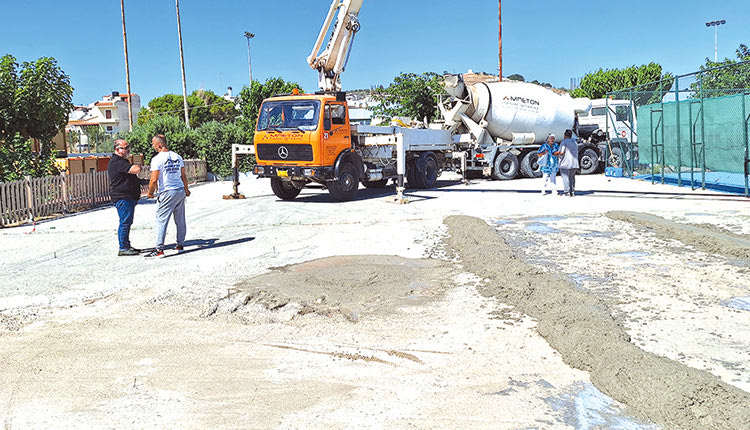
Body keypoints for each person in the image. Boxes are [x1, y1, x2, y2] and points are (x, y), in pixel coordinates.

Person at [144, 134, 191, 258]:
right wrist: (186, 189)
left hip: (167, 191)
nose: (152, 146)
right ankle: (180, 245)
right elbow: (183, 175)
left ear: (159, 145)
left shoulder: (157, 159)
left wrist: (150, 193)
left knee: (161, 220)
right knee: (180, 219)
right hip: (179, 190)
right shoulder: (177, 156)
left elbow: (154, 179)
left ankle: (159, 249)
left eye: (153, 144)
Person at [109, 139, 143, 256]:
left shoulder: (123, 161)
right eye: (126, 148)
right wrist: (138, 164)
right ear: (117, 149)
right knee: (125, 222)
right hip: (123, 197)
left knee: (127, 221)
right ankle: (123, 247)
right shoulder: (116, 162)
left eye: (128, 147)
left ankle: (126, 245)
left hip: (129, 197)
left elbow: (132, 179)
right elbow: (136, 170)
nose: (128, 150)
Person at [555, 129, 579, 197]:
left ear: (565, 135)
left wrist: (556, 153)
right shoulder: (575, 142)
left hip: (565, 163)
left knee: (566, 178)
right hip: (574, 163)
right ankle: (572, 191)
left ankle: (567, 191)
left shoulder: (564, 142)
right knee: (572, 178)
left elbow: (562, 152)